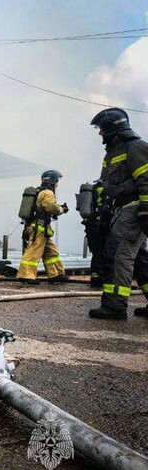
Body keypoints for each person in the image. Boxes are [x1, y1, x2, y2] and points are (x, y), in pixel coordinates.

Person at [87, 108, 148, 319]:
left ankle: (115, 306)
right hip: (120, 211)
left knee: (117, 256)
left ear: (114, 128)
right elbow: (105, 184)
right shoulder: (112, 153)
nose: (100, 134)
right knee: (140, 260)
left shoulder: (136, 148)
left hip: (134, 209)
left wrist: (145, 212)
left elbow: (146, 181)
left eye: (102, 129)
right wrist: (104, 213)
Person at [16, 170, 70, 284]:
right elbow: (51, 208)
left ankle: (55, 274)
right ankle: (26, 275)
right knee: (33, 251)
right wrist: (62, 209)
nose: (57, 184)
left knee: (52, 253)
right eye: (57, 181)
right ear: (52, 181)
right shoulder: (47, 193)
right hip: (39, 229)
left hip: (41, 229)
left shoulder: (39, 191)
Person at [82, 181, 111, 288]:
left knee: (96, 253)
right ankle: (106, 278)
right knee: (106, 253)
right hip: (103, 227)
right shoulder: (109, 188)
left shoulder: (93, 189)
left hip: (91, 227)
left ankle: (95, 279)